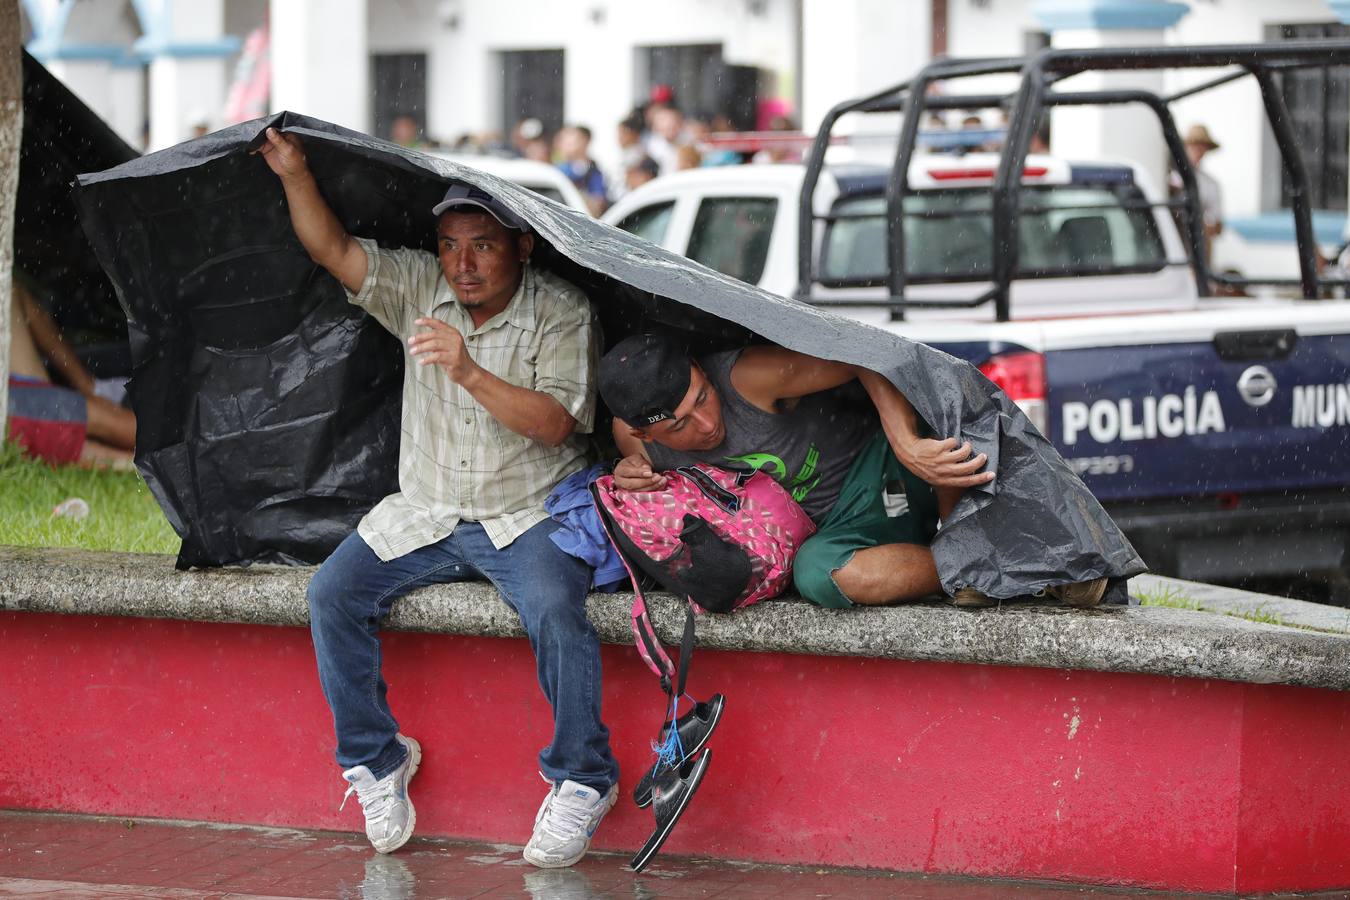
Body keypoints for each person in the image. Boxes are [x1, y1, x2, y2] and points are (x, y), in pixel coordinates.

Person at [255, 127, 619, 864]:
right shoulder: (424, 286)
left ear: (523, 245)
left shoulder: (563, 309)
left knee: (555, 608)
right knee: (331, 594)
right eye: (451, 245)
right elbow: (333, 251)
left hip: (526, 514)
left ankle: (584, 776)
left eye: (483, 245)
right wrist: (294, 172)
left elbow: (554, 425)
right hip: (425, 511)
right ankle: (377, 760)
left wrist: (470, 371)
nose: (463, 263)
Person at [597, 334, 1108, 609]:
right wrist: (626, 472)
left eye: (703, 396)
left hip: (891, 469)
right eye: (682, 424)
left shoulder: (746, 376)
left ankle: (1026, 562)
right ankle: (998, 573)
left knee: (946, 427)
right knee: (817, 576)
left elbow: (867, 354)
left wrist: (904, 441)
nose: (707, 422)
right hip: (847, 530)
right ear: (646, 434)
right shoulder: (637, 446)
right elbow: (627, 454)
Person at [7, 278, 135, 468]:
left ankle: (92, 389)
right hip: (18, 413)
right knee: (116, 435)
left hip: (17, 397)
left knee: (10, 291)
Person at [1172, 124, 1223, 266]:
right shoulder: (1171, 178)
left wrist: (1199, 224)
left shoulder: (1210, 184)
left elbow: (1217, 226)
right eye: (1194, 145)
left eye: (1202, 146)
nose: (1198, 150)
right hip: (1175, 249)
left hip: (1198, 252)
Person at [554, 125, 609, 216]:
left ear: (584, 141)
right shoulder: (558, 170)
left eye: (571, 140)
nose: (565, 143)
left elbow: (598, 203)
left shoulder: (593, 170)